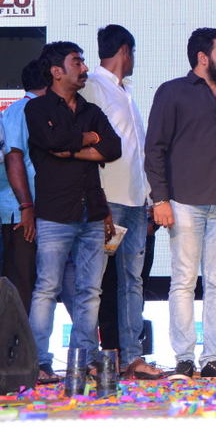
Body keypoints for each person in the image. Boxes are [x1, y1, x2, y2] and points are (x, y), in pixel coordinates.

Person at [145, 28, 216, 380]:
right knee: (184, 280)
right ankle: (185, 358)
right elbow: (154, 148)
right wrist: (160, 199)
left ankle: (213, 358)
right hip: (184, 201)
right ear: (203, 57)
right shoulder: (172, 91)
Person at [26, 41, 122, 382]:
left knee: (89, 292)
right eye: (77, 62)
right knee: (47, 289)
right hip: (55, 212)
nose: (84, 68)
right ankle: (39, 363)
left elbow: (113, 148)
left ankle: (83, 360)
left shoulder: (90, 109)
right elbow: (51, 142)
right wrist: (87, 139)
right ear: (56, 71)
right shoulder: (37, 109)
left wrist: (74, 146)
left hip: (92, 212)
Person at [80, 25, 162, 379]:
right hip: (108, 203)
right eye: (133, 53)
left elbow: (137, 150)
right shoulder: (93, 87)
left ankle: (132, 356)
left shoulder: (125, 91)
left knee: (132, 281)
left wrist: (150, 197)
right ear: (125, 51)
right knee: (94, 281)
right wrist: (97, 199)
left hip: (135, 203)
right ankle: (87, 358)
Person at [0, 60, 46, 314]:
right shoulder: (22, 111)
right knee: (22, 286)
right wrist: (26, 207)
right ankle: (20, 339)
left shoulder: (19, 110)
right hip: (20, 214)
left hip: (29, 211)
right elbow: (13, 158)